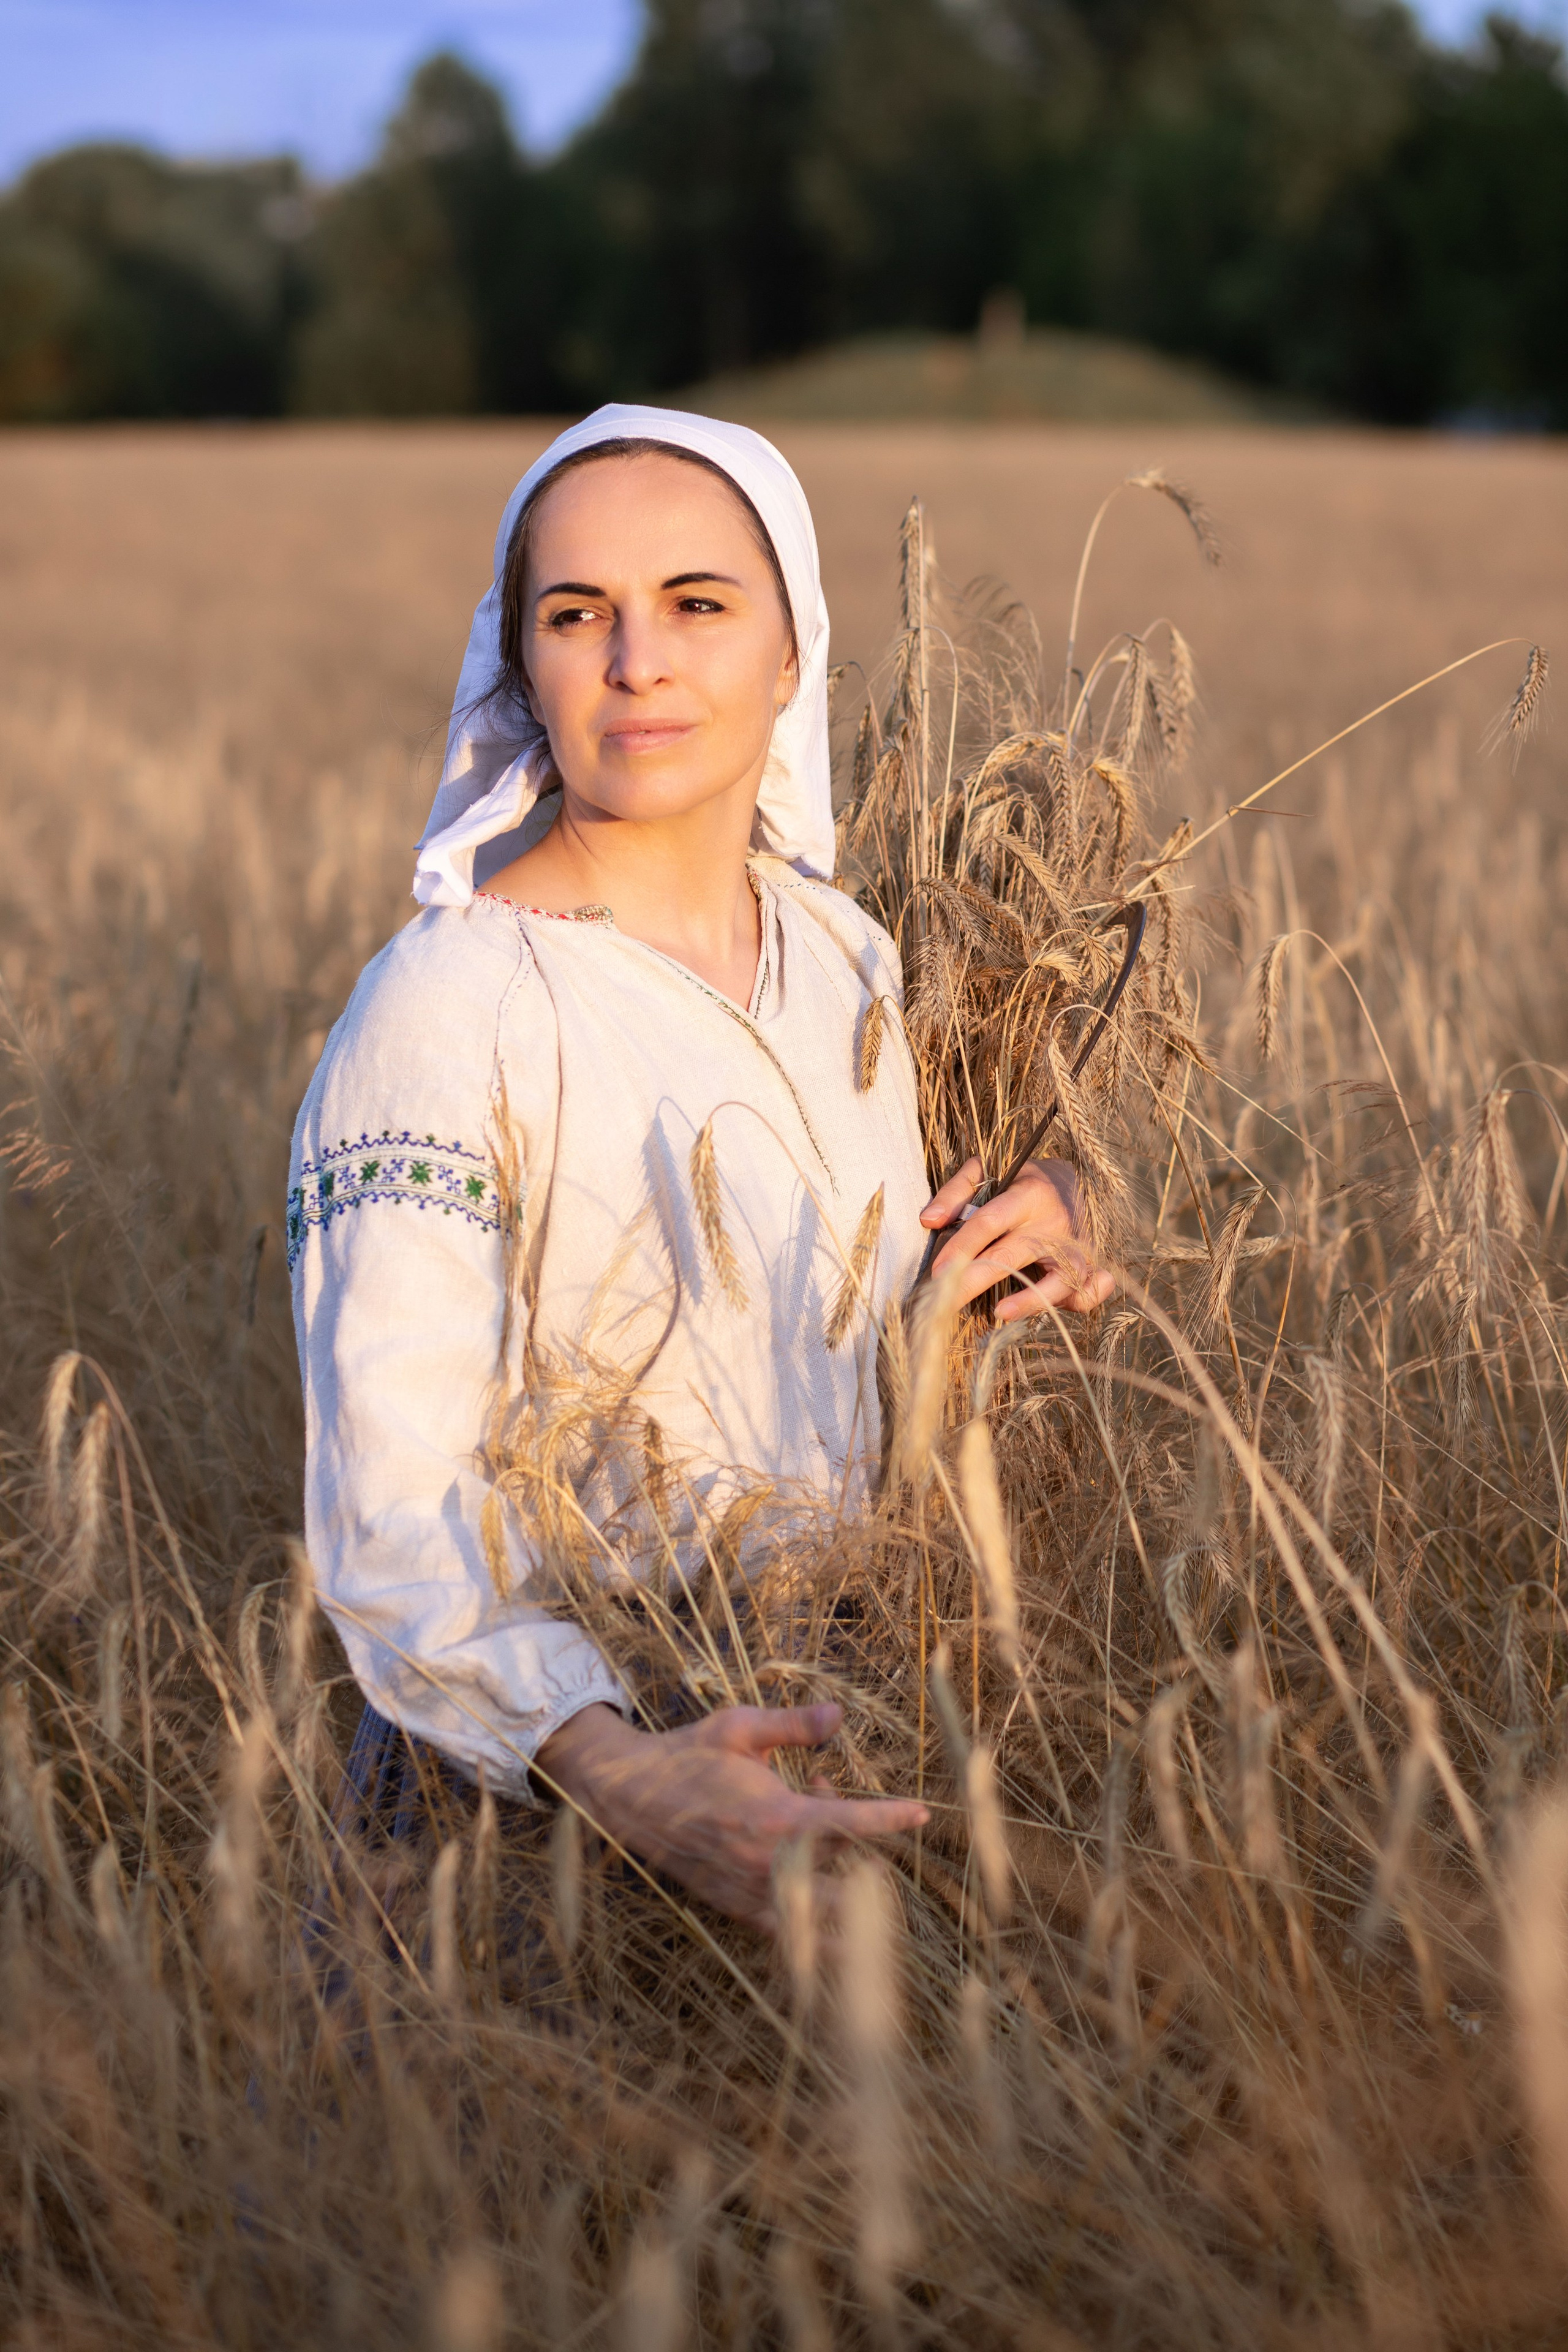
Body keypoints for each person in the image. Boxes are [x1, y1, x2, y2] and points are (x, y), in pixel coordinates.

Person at [288, 404, 1111, 1939]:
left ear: (791, 651)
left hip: (833, 1738)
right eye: (575, 612)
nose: (636, 661)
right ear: (520, 663)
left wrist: (1054, 1203)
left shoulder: (842, 958)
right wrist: (627, 1774)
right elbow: (392, 1522)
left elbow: (897, 1267)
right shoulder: (445, 1010)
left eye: (697, 604)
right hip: (535, 1815)